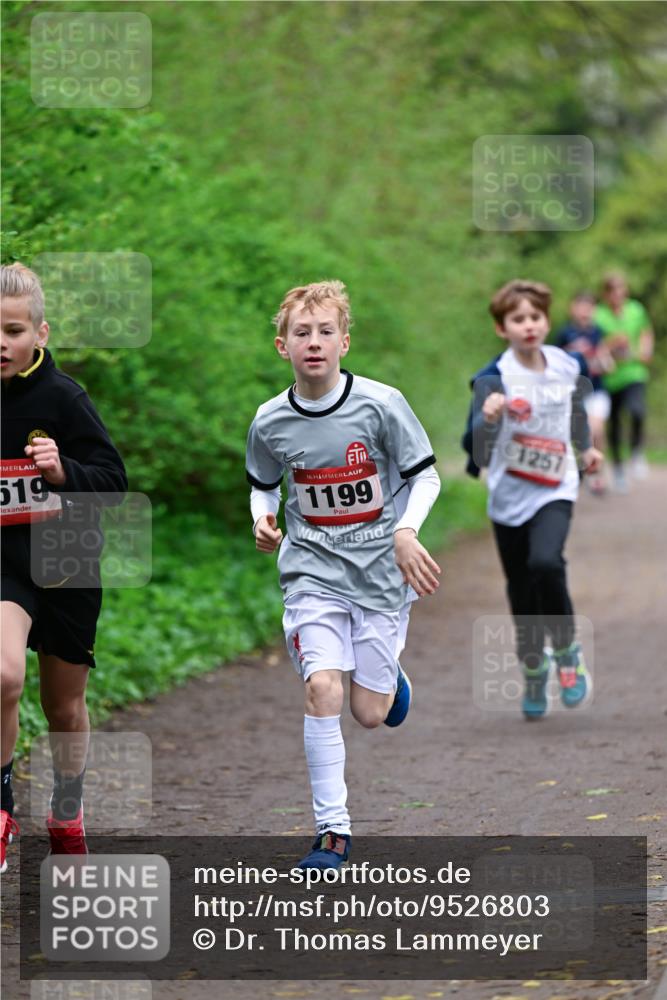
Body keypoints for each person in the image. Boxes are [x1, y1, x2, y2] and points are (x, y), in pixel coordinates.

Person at [246, 280, 441, 870]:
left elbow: (426, 476)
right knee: (321, 689)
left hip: (380, 575)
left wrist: (405, 531)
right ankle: (333, 831)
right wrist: (263, 518)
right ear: (282, 346)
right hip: (311, 571)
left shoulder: (381, 404)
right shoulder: (270, 420)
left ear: (344, 342)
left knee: (369, 714)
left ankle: (390, 681)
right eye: (301, 333)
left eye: (325, 332)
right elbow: (262, 483)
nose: (314, 342)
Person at [1, 262, 127, 872]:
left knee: (64, 707)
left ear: (40, 334)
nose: (2, 343)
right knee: (3, 676)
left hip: (68, 560)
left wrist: (61, 471)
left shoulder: (64, 398)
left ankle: (67, 809)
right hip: (6, 564)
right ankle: (2, 811)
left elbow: (113, 483)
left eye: (14, 330)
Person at [462, 279, 602, 720]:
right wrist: (487, 419)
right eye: (517, 319)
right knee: (521, 590)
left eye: (535, 317)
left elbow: (575, 411)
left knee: (546, 563)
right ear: (501, 328)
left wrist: (587, 448)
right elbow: (473, 448)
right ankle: (534, 670)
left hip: (556, 485)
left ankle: (566, 653)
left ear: (546, 320)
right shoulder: (493, 377)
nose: (528, 325)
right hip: (509, 496)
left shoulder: (567, 364)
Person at [594, 273, 654, 493]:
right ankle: (618, 469)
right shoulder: (598, 315)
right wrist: (611, 343)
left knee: (637, 411)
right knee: (615, 422)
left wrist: (646, 349)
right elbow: (594, 344)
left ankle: (637, 451)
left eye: (622, 290)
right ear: (606, 294)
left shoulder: (635, 309)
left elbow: (646, 331)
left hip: (635, 371)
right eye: (614, 291)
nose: (618, 295)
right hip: (610, 377)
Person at [555, 291, 612, 495]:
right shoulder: (564, 333)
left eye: (589, 307)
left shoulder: (599, 332)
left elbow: (607, 363)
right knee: (582, 432)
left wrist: (602, 362)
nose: (585, 311)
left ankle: (596, 472)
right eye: (581, 306)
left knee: (597, 430)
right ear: (573, 309)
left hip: (596, 390)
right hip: (574, 392)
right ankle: (579, 467)